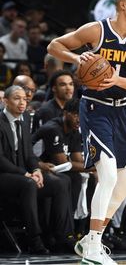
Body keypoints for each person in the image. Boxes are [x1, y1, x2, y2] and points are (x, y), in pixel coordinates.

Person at [47, 0, 126, 264]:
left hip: (124, 112)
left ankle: (89, 240)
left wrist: (116, 80)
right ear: (122, 4)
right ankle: (94, 248)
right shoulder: (96, 30)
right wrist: (78, 59)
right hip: (95, 109)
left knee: (124, 184)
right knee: (106, 175)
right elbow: (54, 46)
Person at [0, 85, 75, 254]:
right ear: (5, 101)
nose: (22, 102)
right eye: (16, 98)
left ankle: (63, 236)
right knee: (28, 184)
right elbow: (1, 160)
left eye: (25, 99)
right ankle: (34, 239)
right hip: (4, 175)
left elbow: (29, 154)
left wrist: (36, 170)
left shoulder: (26, 118)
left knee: (62, 181)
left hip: (24, 174)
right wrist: (26, 174)